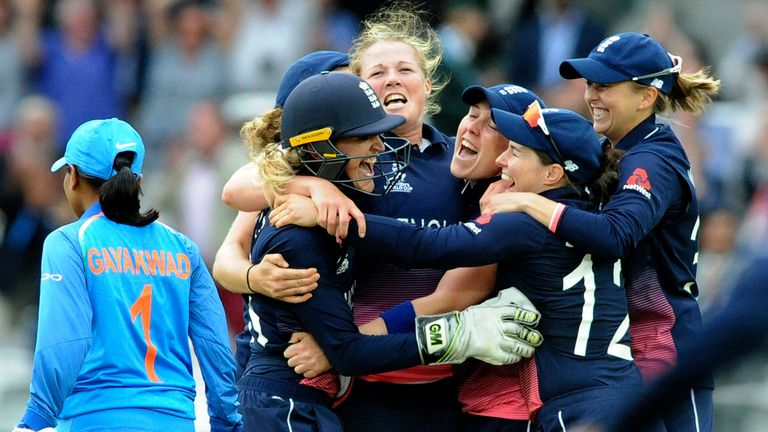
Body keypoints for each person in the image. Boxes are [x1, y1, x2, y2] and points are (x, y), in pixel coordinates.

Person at [291, 102, 648, 431]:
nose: (503, 161)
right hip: (616, 392)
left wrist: (337, 219)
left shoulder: (525, 223)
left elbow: (424, 245)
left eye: (516, 152)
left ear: (553, 175)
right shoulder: (588, 215)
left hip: (581, 407)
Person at [236, 70, 539, 432]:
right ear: (323, 148)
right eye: (366, 137)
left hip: (309, 402)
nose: (381, 146)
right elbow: (348, 353)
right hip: (287, 403)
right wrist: (459, 335)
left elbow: (420, 249)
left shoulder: (318, 210)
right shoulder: (298, 231)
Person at [217, 6, 470, 430]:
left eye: (405, 69)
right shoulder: (341, 163)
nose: (391, 78)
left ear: (428, 84)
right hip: (352, 384)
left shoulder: (458, 163)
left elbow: (463, 281)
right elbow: (234, 206)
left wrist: (341, 345)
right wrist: (309, 188)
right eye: (377, 73)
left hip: (428, 375)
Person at [482, 32, 721, 431]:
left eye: (605, 85)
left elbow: (615, 234)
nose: (591, 94)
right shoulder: (615, 149)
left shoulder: (650, 159)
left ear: (646, 96)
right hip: (630, 352)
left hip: (669, 348)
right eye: (590, 83)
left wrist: (529, 202)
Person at [14, 118, 242, 431]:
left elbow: (65, 342)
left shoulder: (68, 242)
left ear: (73, 176)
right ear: (140, 179)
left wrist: (35, 420)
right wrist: (227, 421)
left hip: (94, 419)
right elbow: (215, 347)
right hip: (175, 421)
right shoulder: (183, 249)